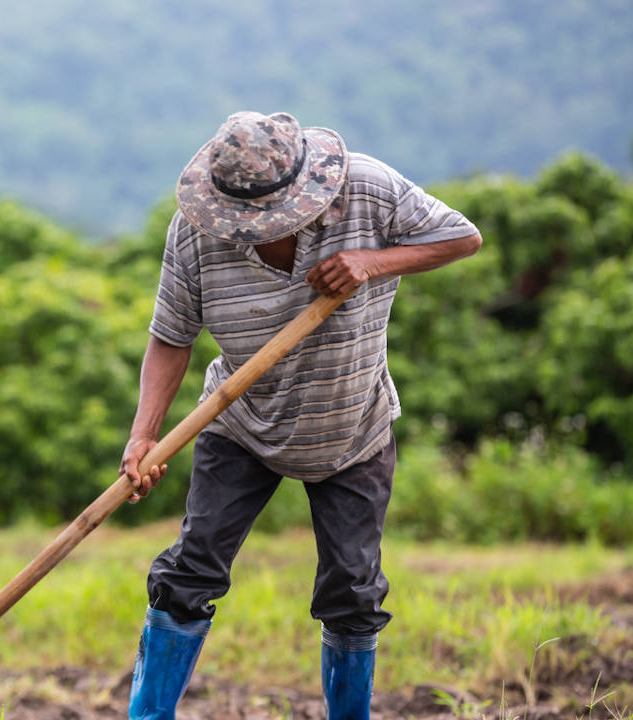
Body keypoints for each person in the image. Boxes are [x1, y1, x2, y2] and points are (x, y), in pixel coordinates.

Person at [120, 111, 482, 720]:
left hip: (352, 429)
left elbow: (462, 237)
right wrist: (143, 436)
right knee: (190, 571)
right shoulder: (194, 235)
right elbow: (170, 337)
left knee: (352, 592)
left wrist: (373, 262)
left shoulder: (366, 189)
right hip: (240, 423)